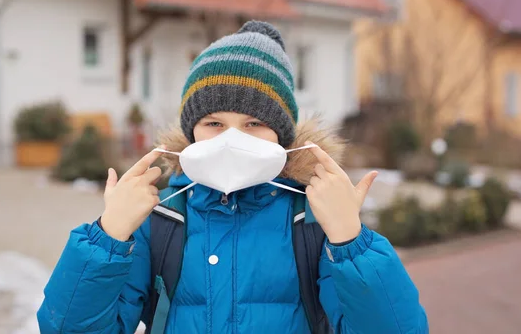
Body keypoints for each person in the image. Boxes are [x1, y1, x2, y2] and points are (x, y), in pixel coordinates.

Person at [37, 21, 429, 334]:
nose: (232, 138)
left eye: (254, 122)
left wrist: (350, 242)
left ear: (283, 135)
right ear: (191, 132)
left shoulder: (313, 218)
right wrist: (109, 237)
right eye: (214, 122)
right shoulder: (162, 219)